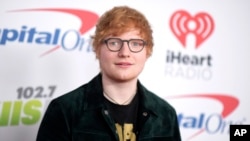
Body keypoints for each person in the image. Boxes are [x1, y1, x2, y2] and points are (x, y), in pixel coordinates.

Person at [36, 5, 181, 141]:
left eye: (135, 43)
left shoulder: (165, 114)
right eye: (114, 43)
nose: (125, 53)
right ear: (98, 48)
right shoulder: (65, 110)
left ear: (147, 51)